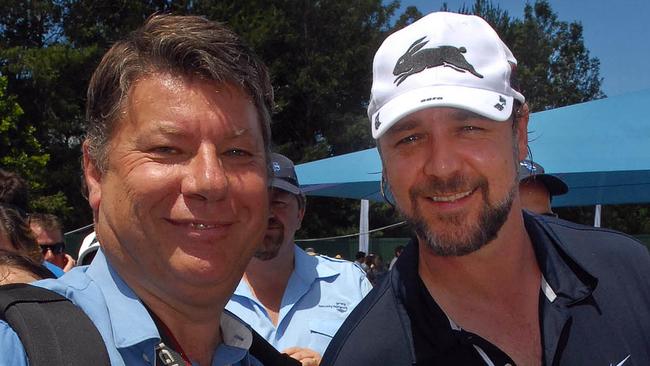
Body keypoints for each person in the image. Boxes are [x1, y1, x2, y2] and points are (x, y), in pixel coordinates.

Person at [322, 12, 650, 366]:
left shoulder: (629, 273)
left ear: (519, 132)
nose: (442, 167)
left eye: (469, 128)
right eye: (410, 138)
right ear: (383, 159)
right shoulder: (363, 356)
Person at [0, 14, 280, 366]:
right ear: (95, 172)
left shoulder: (260, 359)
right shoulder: (17, 347)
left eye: (237, 152)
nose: (210, 181)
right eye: (167, 149)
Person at [227, 153, 372, 366]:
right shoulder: (205, 293)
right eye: (255, 201)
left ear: (301, 212)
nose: (267, 213)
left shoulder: (349, 283)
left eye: (278, 202)